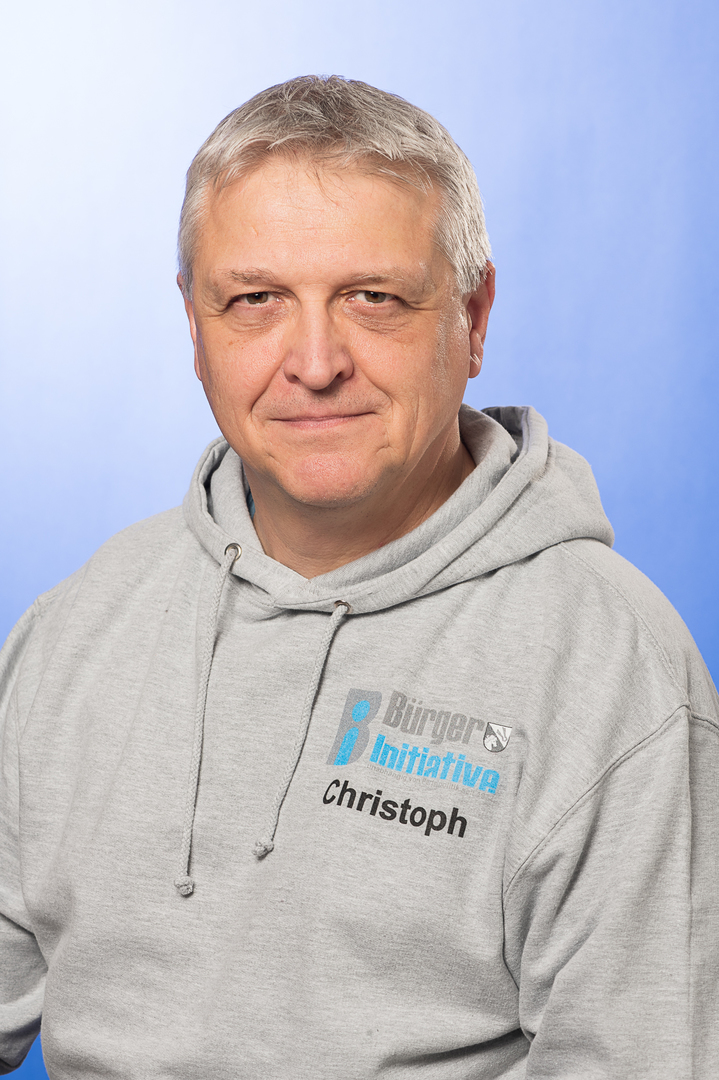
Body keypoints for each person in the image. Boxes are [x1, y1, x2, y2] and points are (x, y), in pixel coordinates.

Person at [1, 75, 717, 1080]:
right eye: (255, 301)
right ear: (195, 326)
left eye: (372, 299)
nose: (314, 361)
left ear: (472, 317)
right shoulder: (80, 625)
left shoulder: (610, 670)